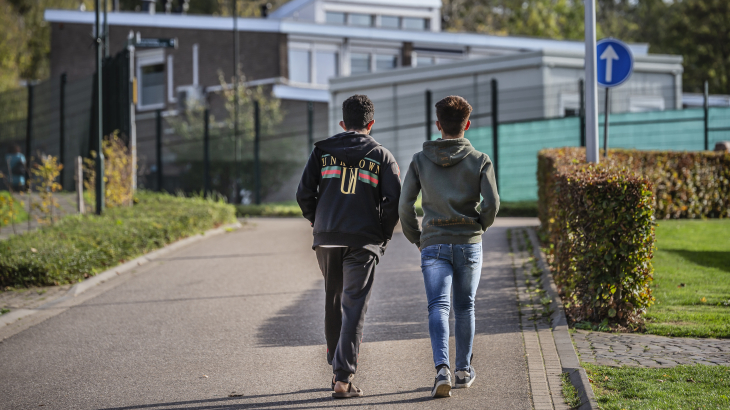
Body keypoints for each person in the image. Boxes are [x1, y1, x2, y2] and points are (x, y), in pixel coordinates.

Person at [296, 95, 401, 399]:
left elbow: (304, 193)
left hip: (327, 239)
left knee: (334, 299)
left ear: (342, 123)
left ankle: (336, 366)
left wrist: (319, 222)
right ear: (371, 123)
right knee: (354, 305)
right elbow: (393, 201)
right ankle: (342, 376)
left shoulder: (321, 151)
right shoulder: (381, 155)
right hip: (362, 241)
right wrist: (381, 235)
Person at [398, 95, 499, 398]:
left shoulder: (419, 160)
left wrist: (418, 237)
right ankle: (463, 371)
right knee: (465, 306)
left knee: (438, 307)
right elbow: (492, 203)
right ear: (467, 125)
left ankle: (441, 369)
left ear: (438, 125)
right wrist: (479, 225)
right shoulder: (480, 160)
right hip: (469, 243)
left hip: (434, 244)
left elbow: (405, 205)